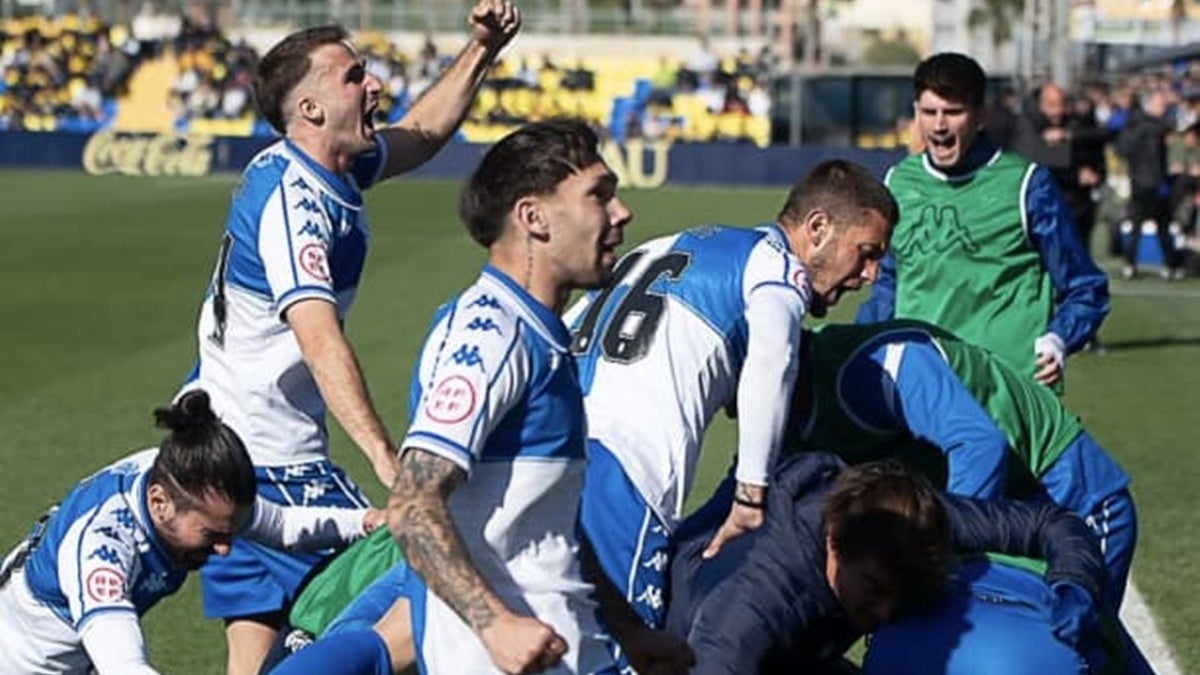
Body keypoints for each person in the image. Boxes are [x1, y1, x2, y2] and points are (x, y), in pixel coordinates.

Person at [269, 119, 691, 675]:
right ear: (534, 217)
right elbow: (412, 505)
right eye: (599, 195)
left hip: (568, 652)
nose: (621, 213)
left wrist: (628, 630)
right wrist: (495, 626)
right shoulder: (492, 334)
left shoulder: (538, 332)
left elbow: (550, 526)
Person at [177, 4, 521, 672]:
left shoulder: (330, 169)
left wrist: (482, 47)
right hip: (272, 464)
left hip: (226, 450)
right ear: (309, 109)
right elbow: (319, 340)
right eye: (353, 77)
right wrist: (392, 465)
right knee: (415, 589)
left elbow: (421, 134)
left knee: (256, 654)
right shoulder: (295, 201)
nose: (374, 85)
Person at [566, 159, 898, 654]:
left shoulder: (662, 246)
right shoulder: (777, 268)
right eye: (865, 253)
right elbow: (774, 358)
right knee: (623, 652)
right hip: (620, 476)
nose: (869, 275)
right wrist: (751, 494)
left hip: (548, 454)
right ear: (818, 228)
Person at [0, 390, 380, 675]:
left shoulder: (184, 478)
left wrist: (365, 521)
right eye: (212, 535)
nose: (225, 549)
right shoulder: (101, 550)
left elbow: (281, 525)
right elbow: (123, 666)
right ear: (159, 502)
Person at [783, 319, 1137, 607]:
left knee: (1077, 647)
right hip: (1010, 516)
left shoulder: (880, 365)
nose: (869, 274)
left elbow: (980, 446)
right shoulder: (782, 420)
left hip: (1069, 496)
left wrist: (940, 558)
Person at [665, 453, 1117, 675]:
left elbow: (1048, 522)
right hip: (683, 643)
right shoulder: (758, 603)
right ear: (834, 542)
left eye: (900, 593)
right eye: (875, 588)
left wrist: (1075, 582)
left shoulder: (910, 520)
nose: (885, 612)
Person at [855, 53, 1109, 391]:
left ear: (981, 115)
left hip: (1007, 390)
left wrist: (1059, 339)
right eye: (929, 112)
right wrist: (858, 344)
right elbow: (888, 286)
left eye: (953, 112)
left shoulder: (1028, 185)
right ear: (916, 113)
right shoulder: (897, 183)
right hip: (921, 392)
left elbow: (1086, 287)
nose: (939, 125)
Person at [1116, 88, 1184, 280]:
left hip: (1143, 180)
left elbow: (1122, 149)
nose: (1163, 107)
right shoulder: (1152, 126)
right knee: (1157, 225)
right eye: (1160, 104)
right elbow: (1150, 157)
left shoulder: (1135, 123)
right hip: (1149, 182)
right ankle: (1166, 265)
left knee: (1143, 225)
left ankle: (1132, 264)